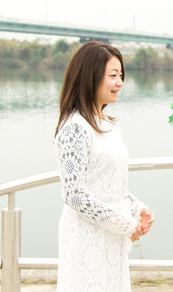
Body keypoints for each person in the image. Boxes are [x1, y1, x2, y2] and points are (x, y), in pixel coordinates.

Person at [54, 41, 154, 292]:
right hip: (86, 235)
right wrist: (125, 224)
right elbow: (74, 194)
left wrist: (137, 208)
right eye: (113, 76)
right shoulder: (74, 127)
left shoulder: (109, 125)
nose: (120, 83)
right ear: (90, 76)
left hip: (112, 235)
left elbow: (108, 182)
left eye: (121, 76)